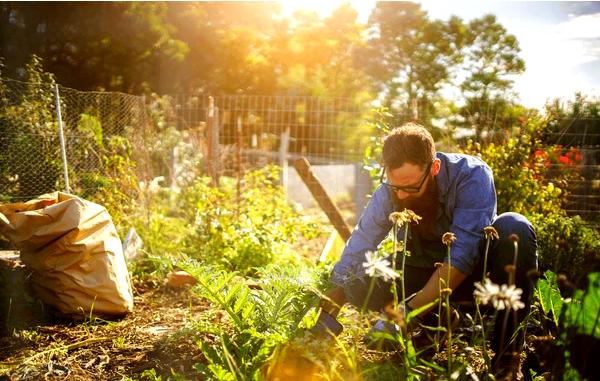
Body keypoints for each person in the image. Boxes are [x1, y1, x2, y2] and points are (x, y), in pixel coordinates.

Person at [310, 122, 537, 375]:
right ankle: (437, 321)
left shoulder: (472, 176)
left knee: (515, 227)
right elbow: (361, 244)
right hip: (423, 268)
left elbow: (462, 256)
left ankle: (507, 359)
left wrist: (405, 313)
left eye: (411, 187)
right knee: (360, 282)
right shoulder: (391, 190)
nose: (403, 196)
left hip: (476, 275)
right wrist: (326, 316)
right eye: (397, 187)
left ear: (435, 168)